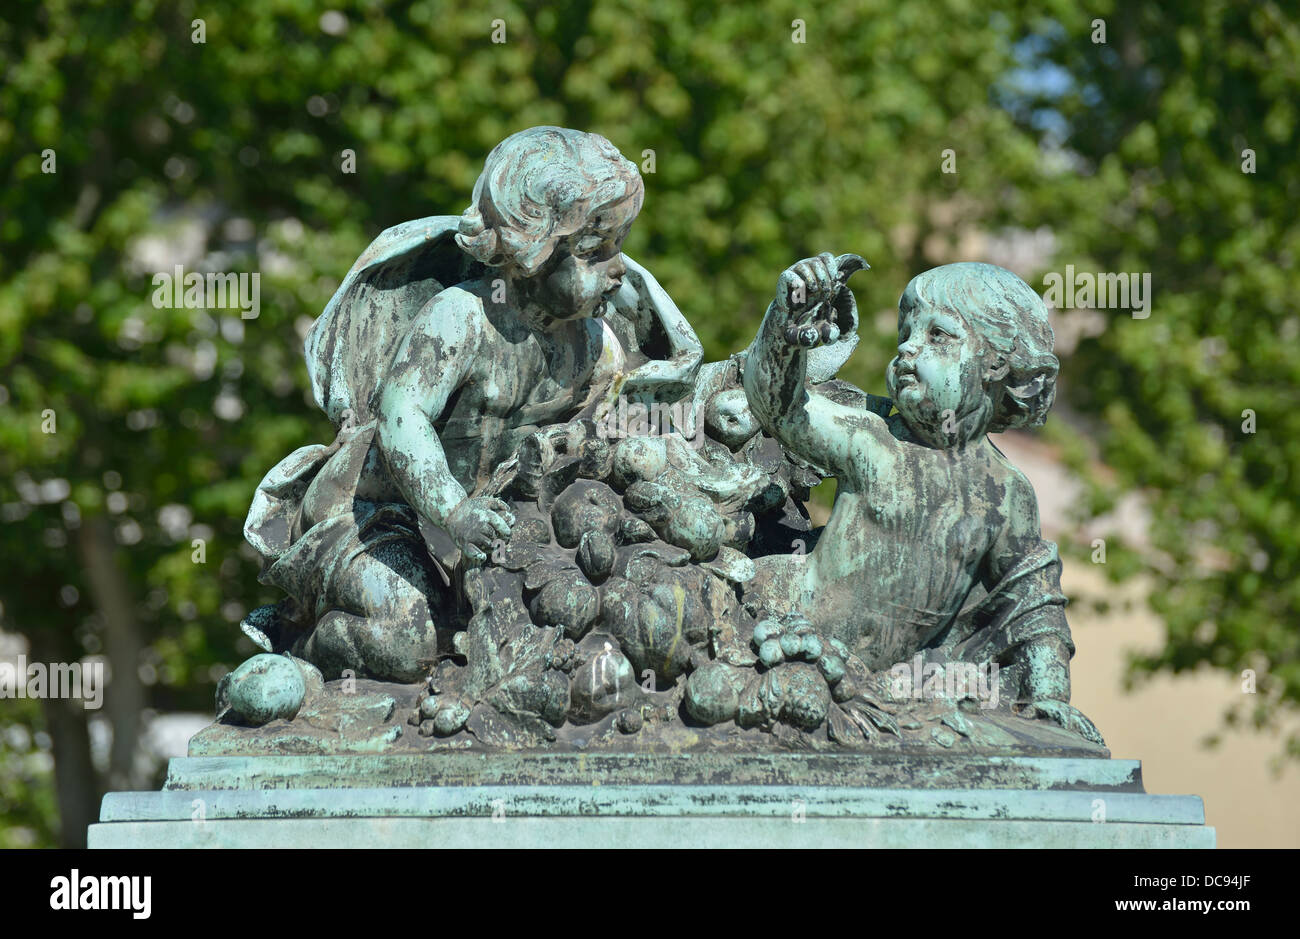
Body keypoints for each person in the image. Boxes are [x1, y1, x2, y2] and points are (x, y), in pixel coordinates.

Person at [242, 127, 702, 682]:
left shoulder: (592, 341)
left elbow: (643, 402)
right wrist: (454, 511)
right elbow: (401, 415)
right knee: (408, 641)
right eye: (595, 251)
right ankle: (301, 651)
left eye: (619, 247)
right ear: (531, 252)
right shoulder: (461, 316)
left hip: (480, 526)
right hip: (375, 514)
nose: (619, 267)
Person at [743, 256, 1102, 742]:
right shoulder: (872, 441)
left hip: (871, 686)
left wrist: (1049, 699)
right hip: (776, 629)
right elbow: (778, 407)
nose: (908, 348)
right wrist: (784, 323)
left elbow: (1032, 607)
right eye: (905, 333)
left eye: (937, 335)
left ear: (996, 361)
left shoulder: (1007, 494)